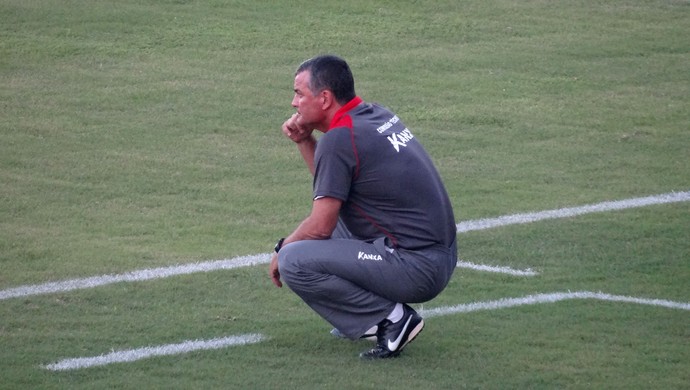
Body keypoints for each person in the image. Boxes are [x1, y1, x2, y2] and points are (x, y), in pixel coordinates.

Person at [269, 55, 457, 359]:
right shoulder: (374, 114)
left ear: (325, 98)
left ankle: (392, 319)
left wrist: (281, 249)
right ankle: (364, 314)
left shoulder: (340, 139)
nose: (294, 103)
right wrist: (305, 141)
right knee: (334, 221)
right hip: (437, 255)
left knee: (294, 259)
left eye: (299, 94)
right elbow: (332, 185)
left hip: (416, 267)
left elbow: (319, 227)